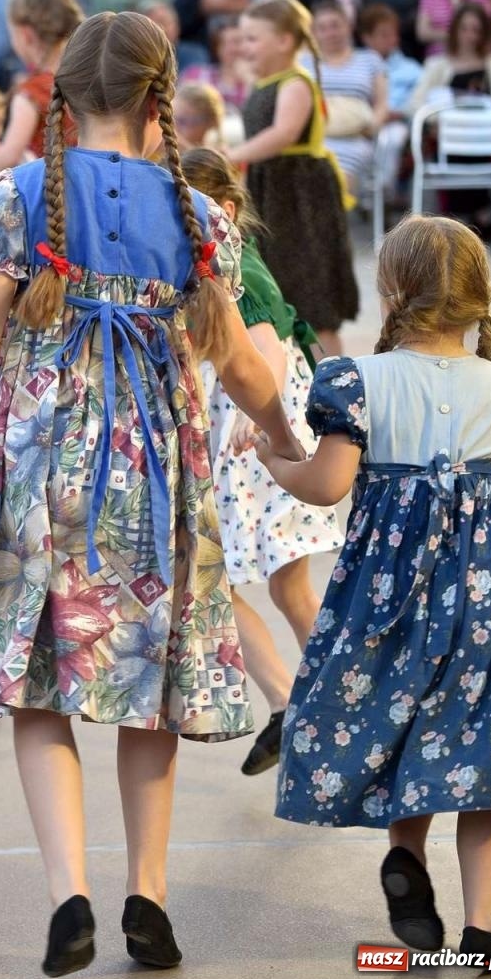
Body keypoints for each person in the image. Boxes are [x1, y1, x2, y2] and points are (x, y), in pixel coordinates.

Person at [0, 10, 304, 977]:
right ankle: (149, 898)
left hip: (40, 464)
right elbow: (242, 362)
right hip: (151, 469)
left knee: (39, 689)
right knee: (146, 693)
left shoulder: (17, 195)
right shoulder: (197, 214)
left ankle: (68, 895)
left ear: (61, 96)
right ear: (158, 101)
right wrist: (287, 432)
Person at [259, 215, 491, 969]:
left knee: (398, 713)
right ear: (480, 297)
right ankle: (484, 931)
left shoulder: (355, 381)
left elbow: (329, 484)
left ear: (392, 289)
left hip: (388, 590)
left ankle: (406, 855)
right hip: (488, 594)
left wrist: (278, 462)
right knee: (482, 746)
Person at [180, 147, 341, 777]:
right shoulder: (196, 257)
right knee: (230, 575)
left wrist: (259, 417)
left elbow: (270, 345)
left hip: (263, 424)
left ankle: (321, 704)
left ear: (225, 208)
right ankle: (296, 703)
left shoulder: (238, 259)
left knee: (277, 581)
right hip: (234, 421)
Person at [228, 0, 357, 360]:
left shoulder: (296, 83)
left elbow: (284, 133)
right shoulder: (264, 82)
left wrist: (234, 154)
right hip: (272, 194)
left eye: (253, 38)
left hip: (301, 198)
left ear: (284, 41)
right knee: (280, 281)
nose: (245, 46)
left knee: (312, 289)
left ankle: (332, 374)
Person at [0, 0, 84, 190]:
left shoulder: (32, 93)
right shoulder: (88, 77)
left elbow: (9, 153)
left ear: (26, 35)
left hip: (58, 200)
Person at [307, 0, 388, 196]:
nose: (330, 33)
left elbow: (382, 103)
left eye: (335, 25)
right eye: (322, 28)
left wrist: (372, 127)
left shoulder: (370, 59)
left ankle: (338, 222)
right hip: (316, 137)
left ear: (348, 26)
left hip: (355, 137)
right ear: (314, 33)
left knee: (342, 173)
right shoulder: (304, 63)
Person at [408, 0, 491, 108]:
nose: (469, 35)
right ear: (454, 30)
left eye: (476, 30)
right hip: (447, 125)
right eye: (463, 29)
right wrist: (436, 118)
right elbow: (414, 104)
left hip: (489, 125)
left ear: (484, 33)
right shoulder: (436, 65)